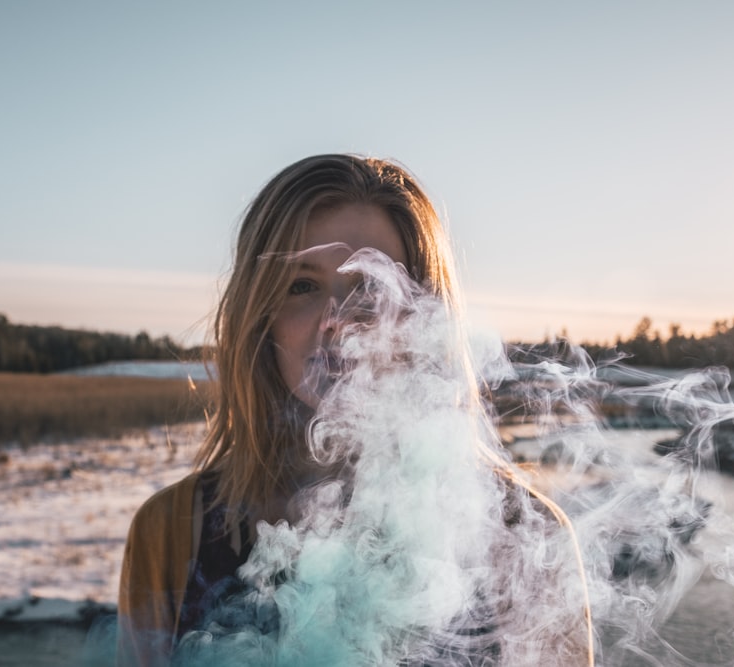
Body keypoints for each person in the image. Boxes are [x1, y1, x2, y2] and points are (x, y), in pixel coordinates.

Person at [116, 154, 593, 666]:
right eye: (302, 285)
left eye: (370, 286)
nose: (337, 322)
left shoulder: (524, 533)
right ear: (259, 317)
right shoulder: (171, 531)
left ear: (425, 312)